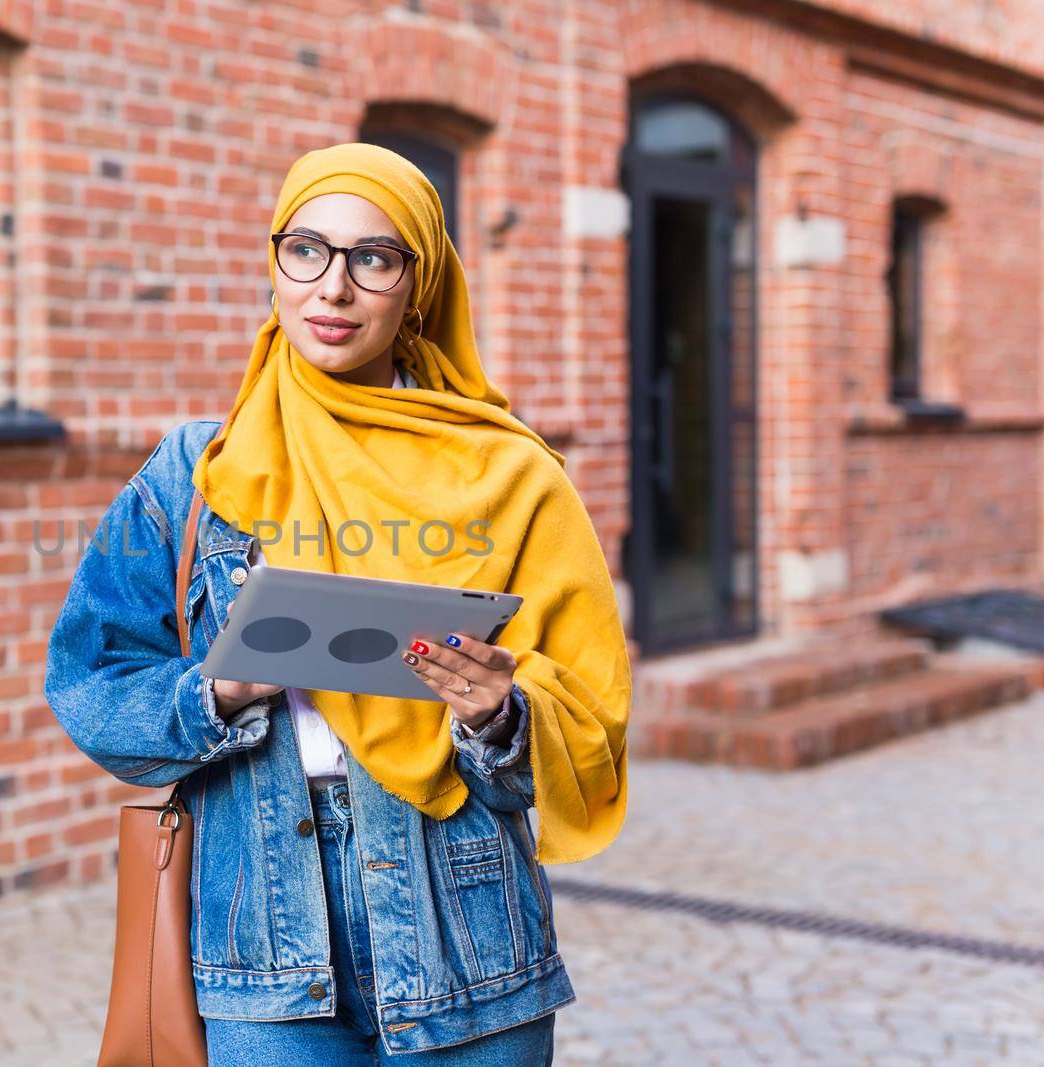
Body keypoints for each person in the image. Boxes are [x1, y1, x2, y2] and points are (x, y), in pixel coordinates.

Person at [44, 142, 632, 1063]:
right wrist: (217, 693)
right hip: (263, 936)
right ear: (275, 264)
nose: (334, 287)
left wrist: (499, 716)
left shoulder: (514, 475)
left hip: (465, 924)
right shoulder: (195, 473)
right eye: (306, 249)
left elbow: (589, 728)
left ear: (419, 288)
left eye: (375, 258)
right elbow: (91, 687)